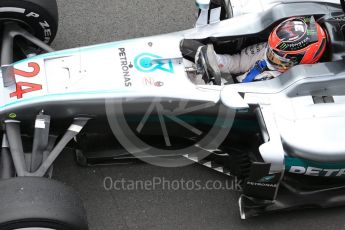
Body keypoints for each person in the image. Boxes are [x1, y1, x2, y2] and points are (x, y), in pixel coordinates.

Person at [195, 16, 327, 84]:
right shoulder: (271, 49)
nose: (270, 57)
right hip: (232, 84)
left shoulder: (297, 84)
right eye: (271, 51)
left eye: (278, 58)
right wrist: (215, 60)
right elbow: (239, 62)